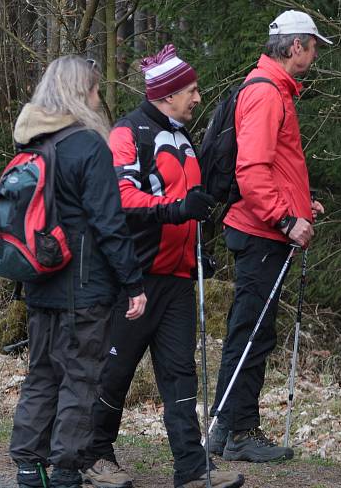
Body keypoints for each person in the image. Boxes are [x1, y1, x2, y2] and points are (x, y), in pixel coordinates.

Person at [82, 45, 244, 488]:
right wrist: (177, 209)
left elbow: (190, 204)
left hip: (176, 277)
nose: (197, 97)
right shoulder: (128, 133)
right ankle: (94, 455)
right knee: (116, 371)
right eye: (190, 90)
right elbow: (121, 197)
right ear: (167, 94)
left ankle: (191, 467)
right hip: (133, 277)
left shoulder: (183, 137)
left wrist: (198, 243)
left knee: (180, 372)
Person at [9, 55, 147, 488]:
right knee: (81, 379)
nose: (98, 96)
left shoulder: (31, 144)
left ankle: (29, 466)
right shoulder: (88, 145)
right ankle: (67, 470)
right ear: (80, 92)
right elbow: (110, 223)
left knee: (42, 374)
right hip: (85, 290)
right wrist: (133, 282)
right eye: (94, 89)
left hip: (39, 282)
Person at [207, 10, 328, 462]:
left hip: (261, 228)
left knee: (249, 332)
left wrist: (301, 204)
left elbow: (273, 168)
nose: (315, 55)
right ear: (295, 46)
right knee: (252, 335)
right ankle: (239, 433)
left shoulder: (271, 89)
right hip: (259, 232)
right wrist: (285, 219)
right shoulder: (267, 94)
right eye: (313, 46)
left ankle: (224, 429)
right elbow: (252, 171)